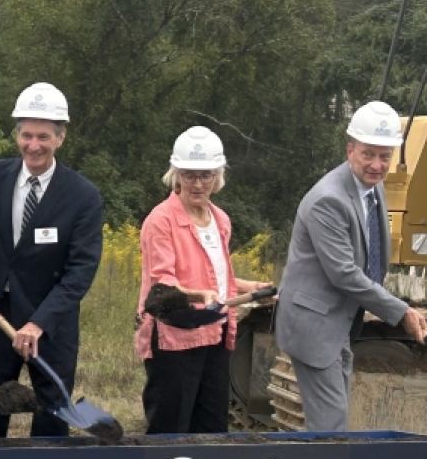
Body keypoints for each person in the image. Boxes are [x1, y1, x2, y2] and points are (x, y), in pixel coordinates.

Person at [0, 82, 103, 438]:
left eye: (43, 137)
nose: (34, 145)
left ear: (60, 138)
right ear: (17, 135)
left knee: (51, 417)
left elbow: (81, 270)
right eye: (27, 135)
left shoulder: (83, 196)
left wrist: (39, 323)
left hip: (50, 323)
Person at [276, 101, 427, 432]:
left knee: (333, 421)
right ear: (350, 150)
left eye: (384, 156)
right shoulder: (328, 200)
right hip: (315, 324)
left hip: (340, 321)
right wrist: (401, 311)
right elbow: (344, 273)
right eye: (368, 154)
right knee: (331, 428)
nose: (376, 164)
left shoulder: (372, 190)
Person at [134, 126, 272, 434]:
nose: (197, 184)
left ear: (218, 177)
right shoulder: (161, 221)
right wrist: (199, 296)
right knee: (171, 428)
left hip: (216, 335)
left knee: (211, 429)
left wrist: (251, 289)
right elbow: (163, 286)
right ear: (176, 174)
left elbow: (218, 279)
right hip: (174, 340)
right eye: (189, 175)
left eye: (205, 175)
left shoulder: (220, 220)